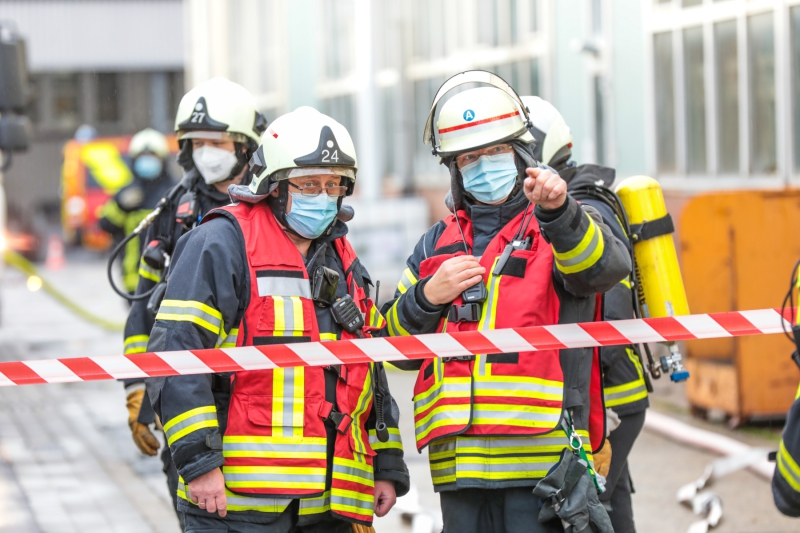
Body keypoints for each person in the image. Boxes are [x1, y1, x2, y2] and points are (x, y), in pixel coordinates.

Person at [383, 71, 630, 533]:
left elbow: (603, 269)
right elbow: (393, 348)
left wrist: (560, 214)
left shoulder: (558, 222)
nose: (483, 165)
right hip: (458, 472)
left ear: (521, 155)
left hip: (541, 468)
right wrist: (425, 298)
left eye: (495, 152)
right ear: (455, 169)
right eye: (470, 157)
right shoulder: (435, 244)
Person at [147, 106, 409, 532]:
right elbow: (177, 356)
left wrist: (386, 463)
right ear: (274, 187)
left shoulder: (341, 258)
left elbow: (367, 370)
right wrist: (198, 464)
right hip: (234, 503)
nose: (323, 196)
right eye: (308, 184)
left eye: (333, 184)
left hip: (326, 505)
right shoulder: (222, 242)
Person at [120, 77, 267, 530]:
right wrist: (138, 389)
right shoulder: (173, 213)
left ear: (245, 146)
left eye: (216, 141)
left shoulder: (278, 209)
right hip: (188, 408)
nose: (206, 152)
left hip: (261, 407)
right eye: (196, 142)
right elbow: (144, 311)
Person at [523, 95, 648, 532]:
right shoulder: (565, 202)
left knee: (581, 512)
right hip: (605, 401)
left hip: (608, 401)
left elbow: (603, 305)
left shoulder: (581, 208)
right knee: (610, 509)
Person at [99, 128, 176, 294]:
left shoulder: (175, 191)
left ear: (163, 159)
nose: (147, 160)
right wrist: (121, 206)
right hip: (133, 282)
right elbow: (105, 224)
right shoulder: (126, 192)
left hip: (169, 281)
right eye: (142, 156)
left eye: (152, 156)